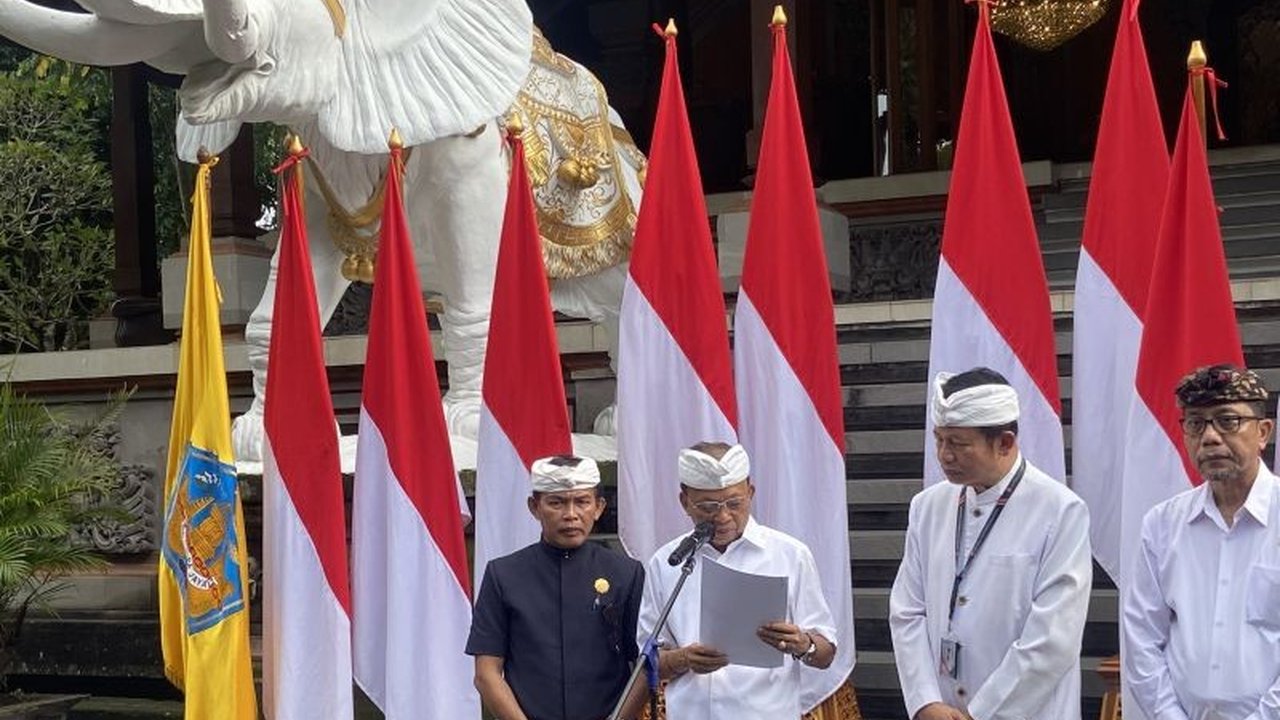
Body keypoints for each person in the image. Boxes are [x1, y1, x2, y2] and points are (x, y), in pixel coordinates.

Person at [890, 367, 1092, 720]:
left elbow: (1053, 637)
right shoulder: (928, 507)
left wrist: (980, 713)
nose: (944, 455)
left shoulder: (1060, 510)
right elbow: (907, 610)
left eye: (958, 443)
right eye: (939, 440)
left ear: (1005, 443)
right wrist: (924, 700)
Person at [636, 441, 838, 719]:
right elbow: (647, 662)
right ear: (685, 501)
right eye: (708, 506)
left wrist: (803, 644)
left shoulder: (790, 554)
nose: (723, 516)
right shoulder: (667, 562)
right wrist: (684, 659)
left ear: (750, 493)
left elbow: (826, 653)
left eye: (734, 503)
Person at [1124, 364, 1280, 720]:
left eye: (1227, 421)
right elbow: (1143, 639)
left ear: (1263, 432)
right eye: (1196, 424)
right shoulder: (1163, 524)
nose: (1209, 437)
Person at [466, 454, 646, 720]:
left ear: (599, 507)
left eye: (582, 502)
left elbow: (645, 666)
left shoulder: (626, 573)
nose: (571, 515)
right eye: (557, 503)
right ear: (534, 507)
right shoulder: (503, 575)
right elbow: (486, 673)